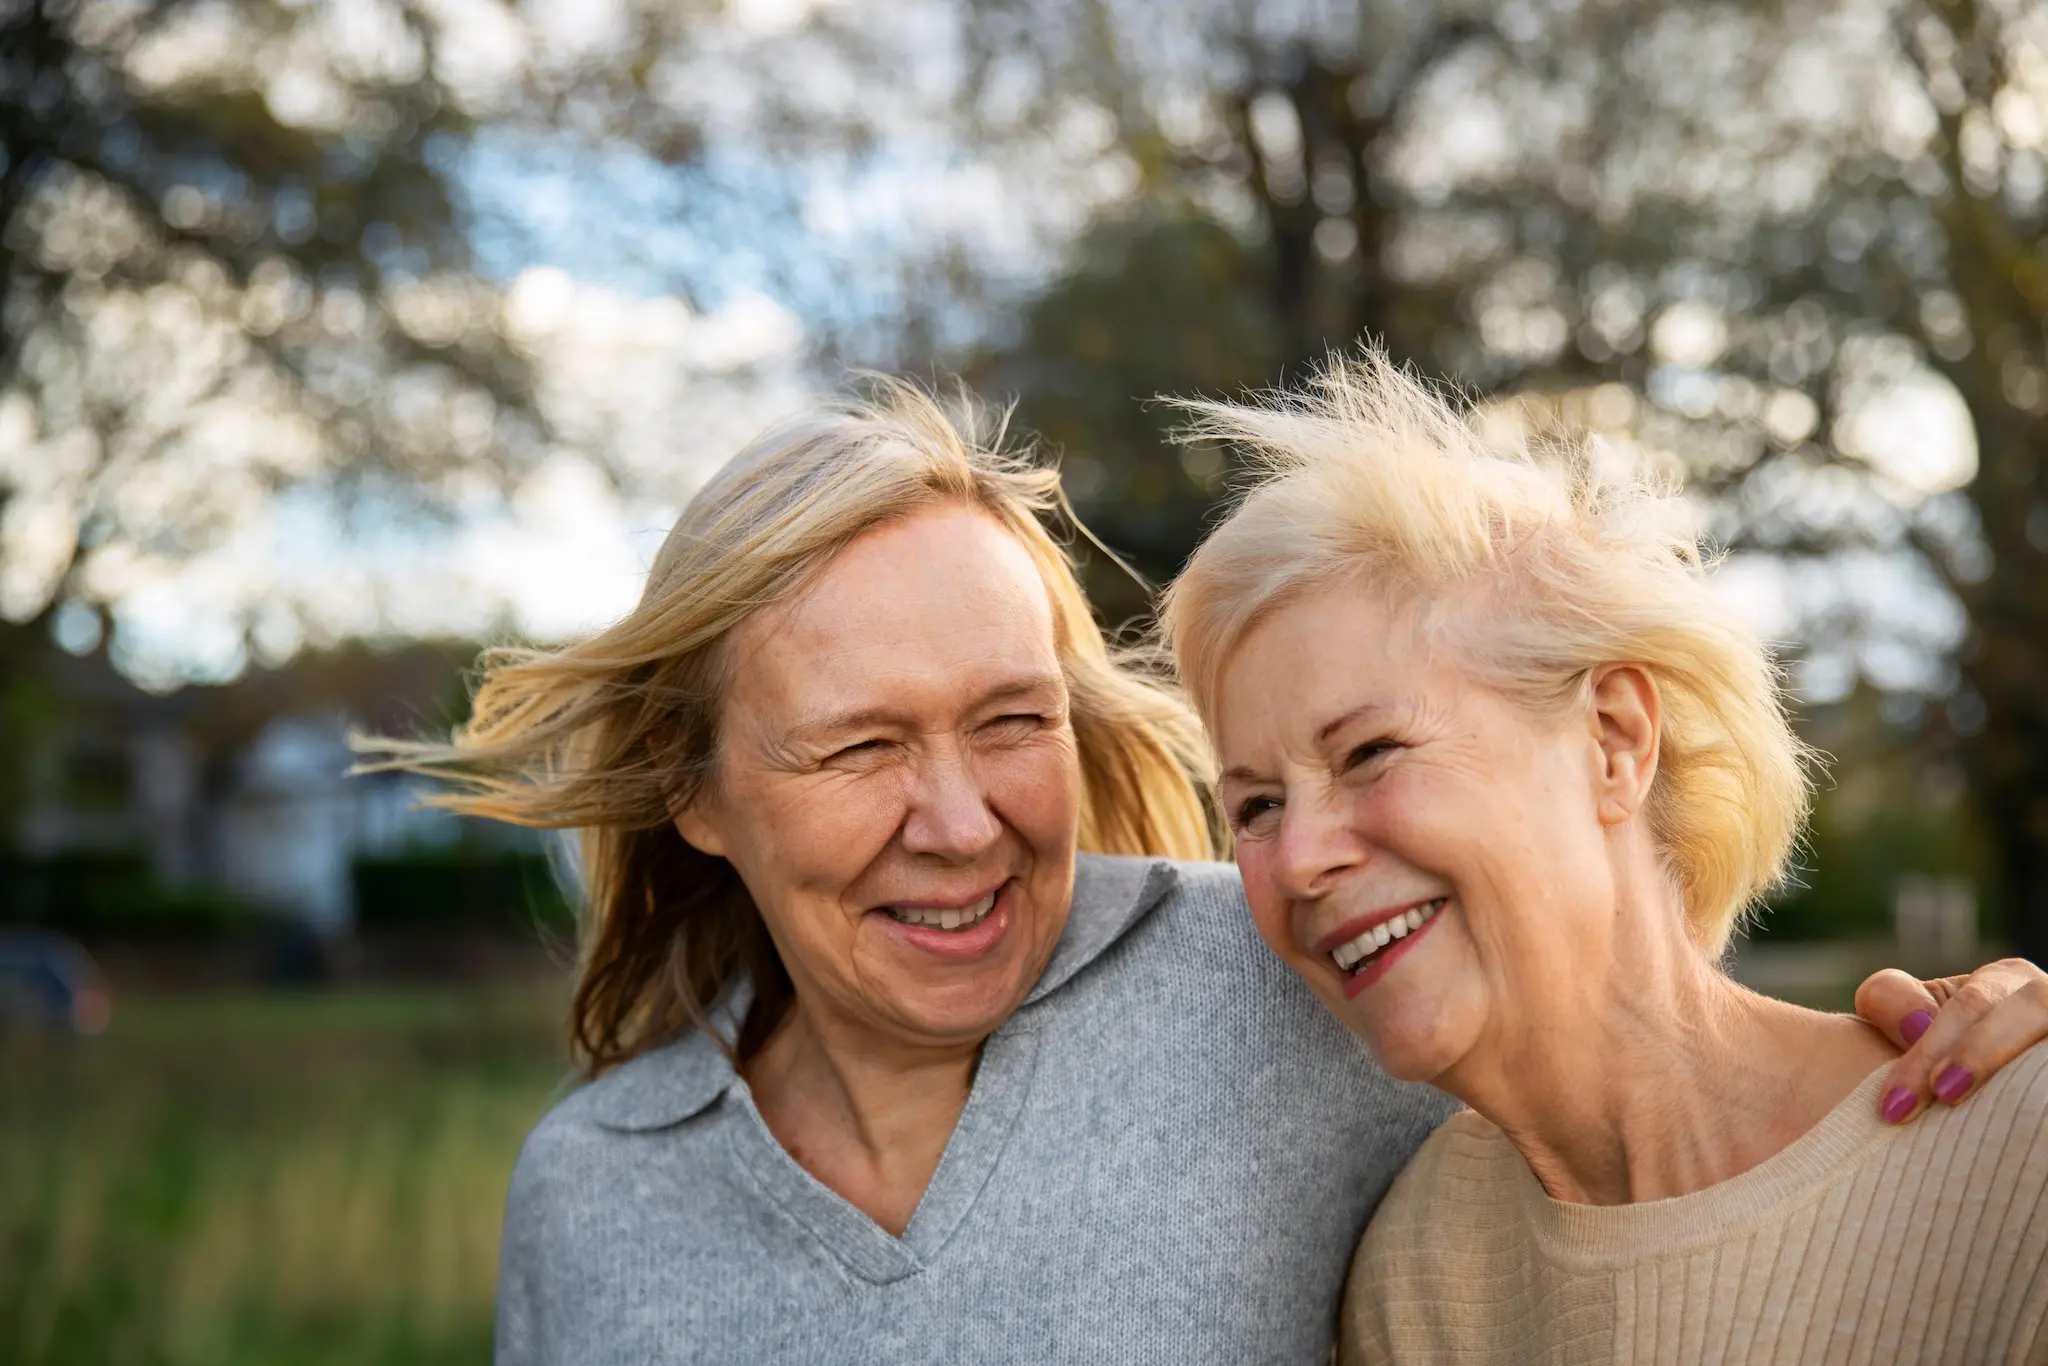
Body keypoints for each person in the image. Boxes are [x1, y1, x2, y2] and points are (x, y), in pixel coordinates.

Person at [367, 380, 2046, 1366]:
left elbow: (1605, 1021)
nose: (954, 821)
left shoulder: (1279, 979)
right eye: (859, 746)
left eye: (1007, 720)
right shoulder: (591, 1198)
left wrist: (1972, 1059)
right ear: (698, 791)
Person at [1163, 352, 2048, 1365]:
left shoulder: (2014, 1154)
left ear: (1613, 740)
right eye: (1256, 806)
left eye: (1369, 751)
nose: (1300, 858)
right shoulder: (1414, 1277)